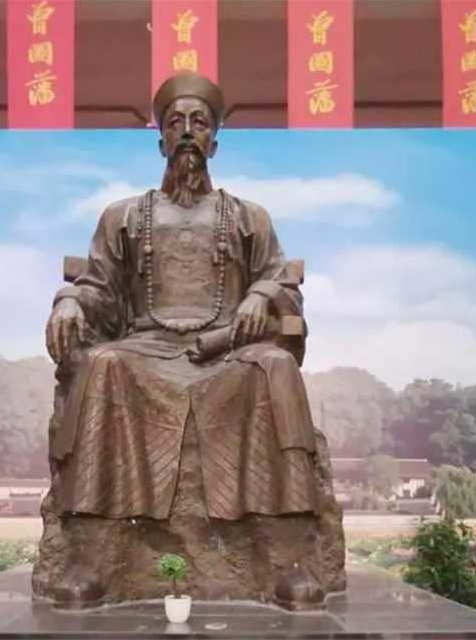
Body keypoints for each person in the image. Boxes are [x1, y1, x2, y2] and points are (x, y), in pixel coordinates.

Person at [44, 71, 317, 522]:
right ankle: (101, 535)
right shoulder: (124, 216)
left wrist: (261, 293)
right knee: (102, 363)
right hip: (146, 349)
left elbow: (282, 283)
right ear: (161, 144)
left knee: (277, 365)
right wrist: (68, 300)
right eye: (175, 123)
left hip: (227, 352)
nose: (187, 132)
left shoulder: (249, 217)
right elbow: (98, 287)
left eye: (199, 123)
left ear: (214, 144)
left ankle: (280, 532)